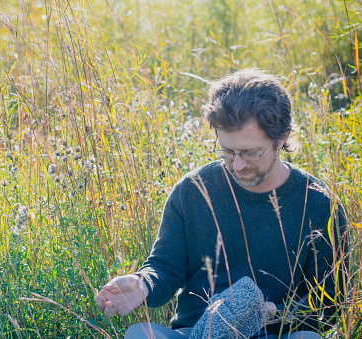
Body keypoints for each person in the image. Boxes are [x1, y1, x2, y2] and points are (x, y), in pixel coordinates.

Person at [95, 69, 349, 339]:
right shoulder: (192, 191)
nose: (238, 165)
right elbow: (165, 267)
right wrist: (142, 284)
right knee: (139, 334)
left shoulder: (319, 203)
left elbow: (329, 305)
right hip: (194, 333)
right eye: (228, 151)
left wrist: (276, 313)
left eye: (251, 153)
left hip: (274, 334)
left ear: (282, 137)